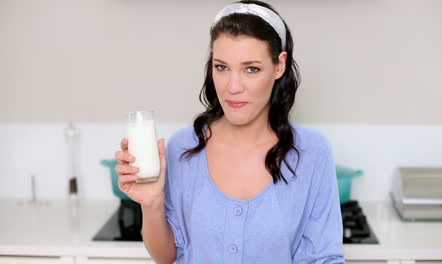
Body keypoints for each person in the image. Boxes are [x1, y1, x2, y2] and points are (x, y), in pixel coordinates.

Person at [115, 1, 345, 263]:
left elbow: (323, 258)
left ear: (279, 66)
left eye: (251, 69)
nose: (233, 87)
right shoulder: (184, 147)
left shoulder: (312, 153)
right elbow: (167, 257)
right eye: (221, 67)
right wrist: (152, 203)